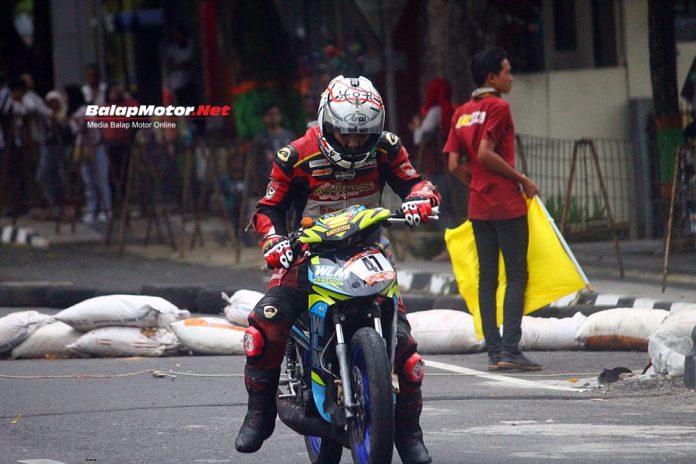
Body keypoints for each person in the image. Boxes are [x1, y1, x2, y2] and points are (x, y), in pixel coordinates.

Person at [236, 75, 439, 464]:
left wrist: (420, 200)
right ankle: (258, 414)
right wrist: (274, 240)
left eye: (362, 135)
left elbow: (418, 184)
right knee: (265, 324)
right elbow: (268, 208)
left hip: (369, 253)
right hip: (306, 254)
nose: (353, 142)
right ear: (326, 122)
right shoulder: (294, 156)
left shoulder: (387, 148)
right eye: (345, 133)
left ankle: (409, 434)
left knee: (406, 351)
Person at [444, 48, 542, 372]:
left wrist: (475, 183)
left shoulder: (462, 112)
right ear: (491, 77)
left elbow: (454, 164)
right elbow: (486, 152)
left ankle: (493, 352)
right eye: (507, 71)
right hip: (506, 203)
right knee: (515, 275)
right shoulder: (499, 107)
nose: (511, 77)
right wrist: (522, 179)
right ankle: (510, 351)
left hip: (478, 205)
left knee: (487, 278)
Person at [66, 84, 112, 224]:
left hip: (95, 147)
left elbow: (93, 127)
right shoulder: (72, 113)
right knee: (88, 181)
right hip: (83, 149)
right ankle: (92, 210)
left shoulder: (86, 110)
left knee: (101, 180)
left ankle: (106, 209)